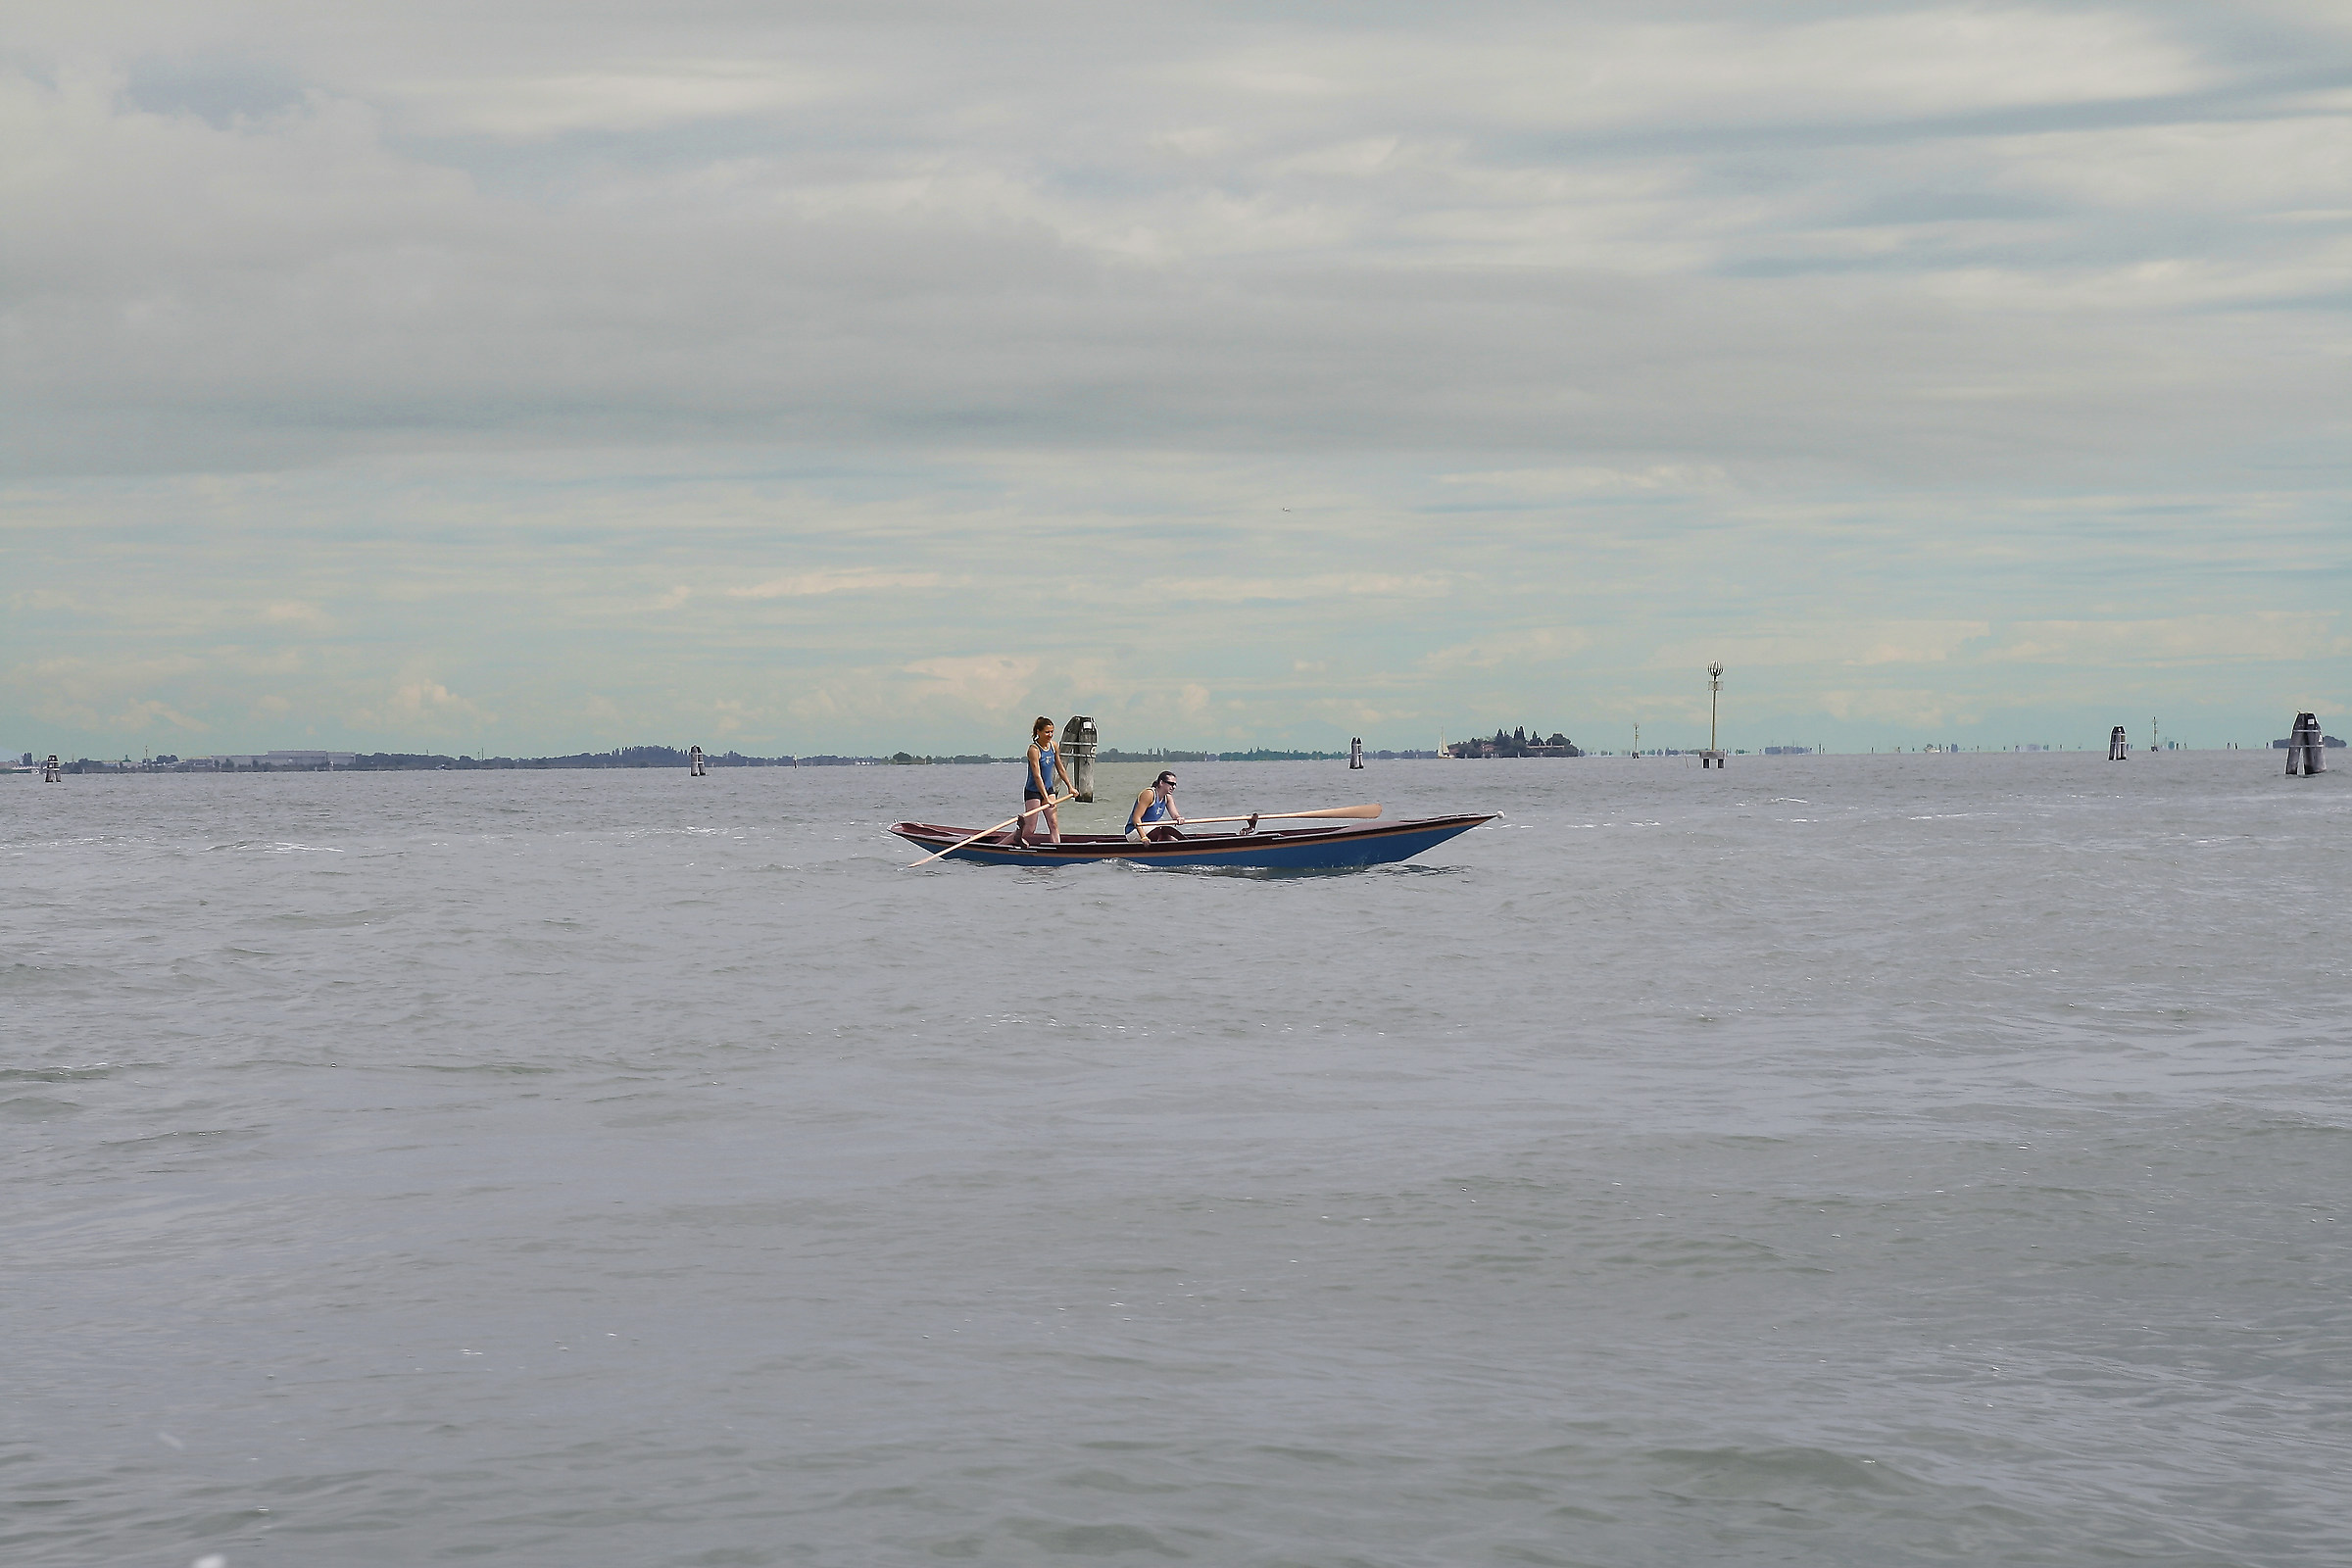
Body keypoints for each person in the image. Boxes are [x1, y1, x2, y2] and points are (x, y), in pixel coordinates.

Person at [1017, 716, 1064, 847]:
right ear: (1038, 732)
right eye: (1047, 732)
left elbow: (1060, 768)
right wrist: (1045, 798)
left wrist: (1071, 787)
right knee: (1030, 828)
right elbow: (1037, 776)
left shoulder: (1054, 746)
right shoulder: (1034, 750)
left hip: (1048, 789)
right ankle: (1004, 843)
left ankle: (1057, 849)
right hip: (1033, 791)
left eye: (1052, 732)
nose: (1050, 735)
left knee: (1053, 823)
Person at [1124, 770, 1187, 842]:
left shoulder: (1168, 797)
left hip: (1151, 829)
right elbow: (1136, 818)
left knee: (1168, 834)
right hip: (1134, 831)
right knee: (1163, 830)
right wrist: (1143, 837)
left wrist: (1179, 818)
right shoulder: (1149, 794)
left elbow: (1175, 816)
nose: (1174, 787)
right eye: (1171, 784)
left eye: (1175, 784)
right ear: (1161, 783)